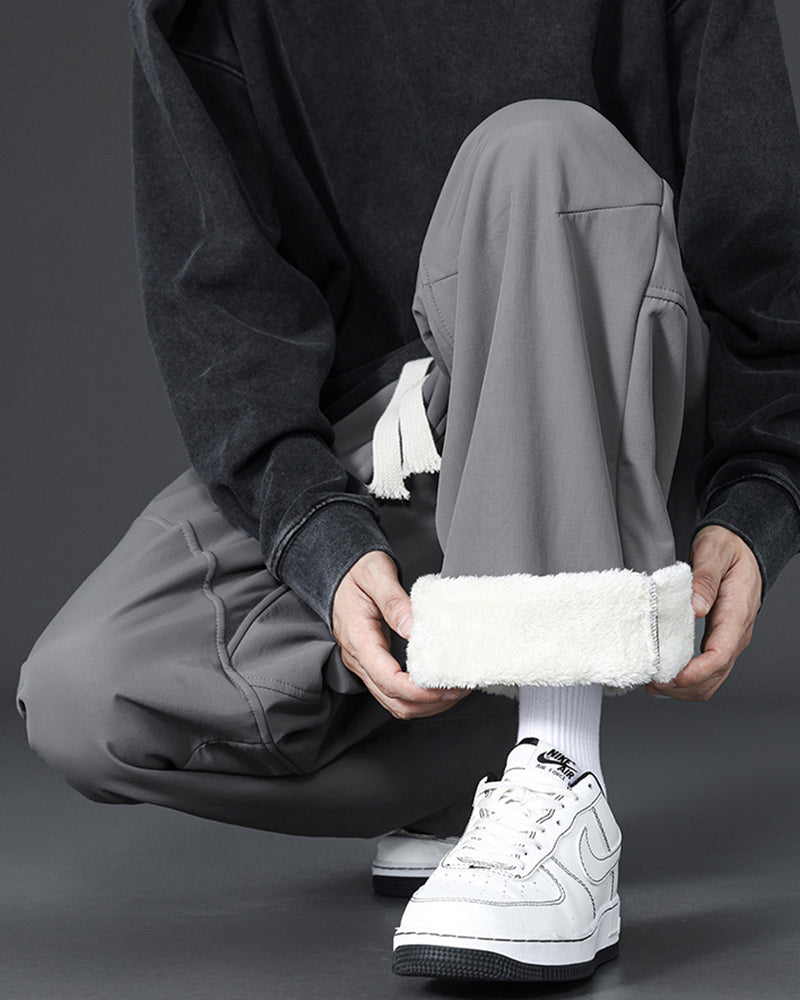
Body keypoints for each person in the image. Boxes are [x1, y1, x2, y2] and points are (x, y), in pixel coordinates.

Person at [15, 0, 800, 984]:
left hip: (622, 415)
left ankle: (562, 772)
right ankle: (478, 773)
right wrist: (319, 536)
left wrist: (759, 493)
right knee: (91, 697)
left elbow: (768, 259)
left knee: (537, 151)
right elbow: (217, 296)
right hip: (392, 439)